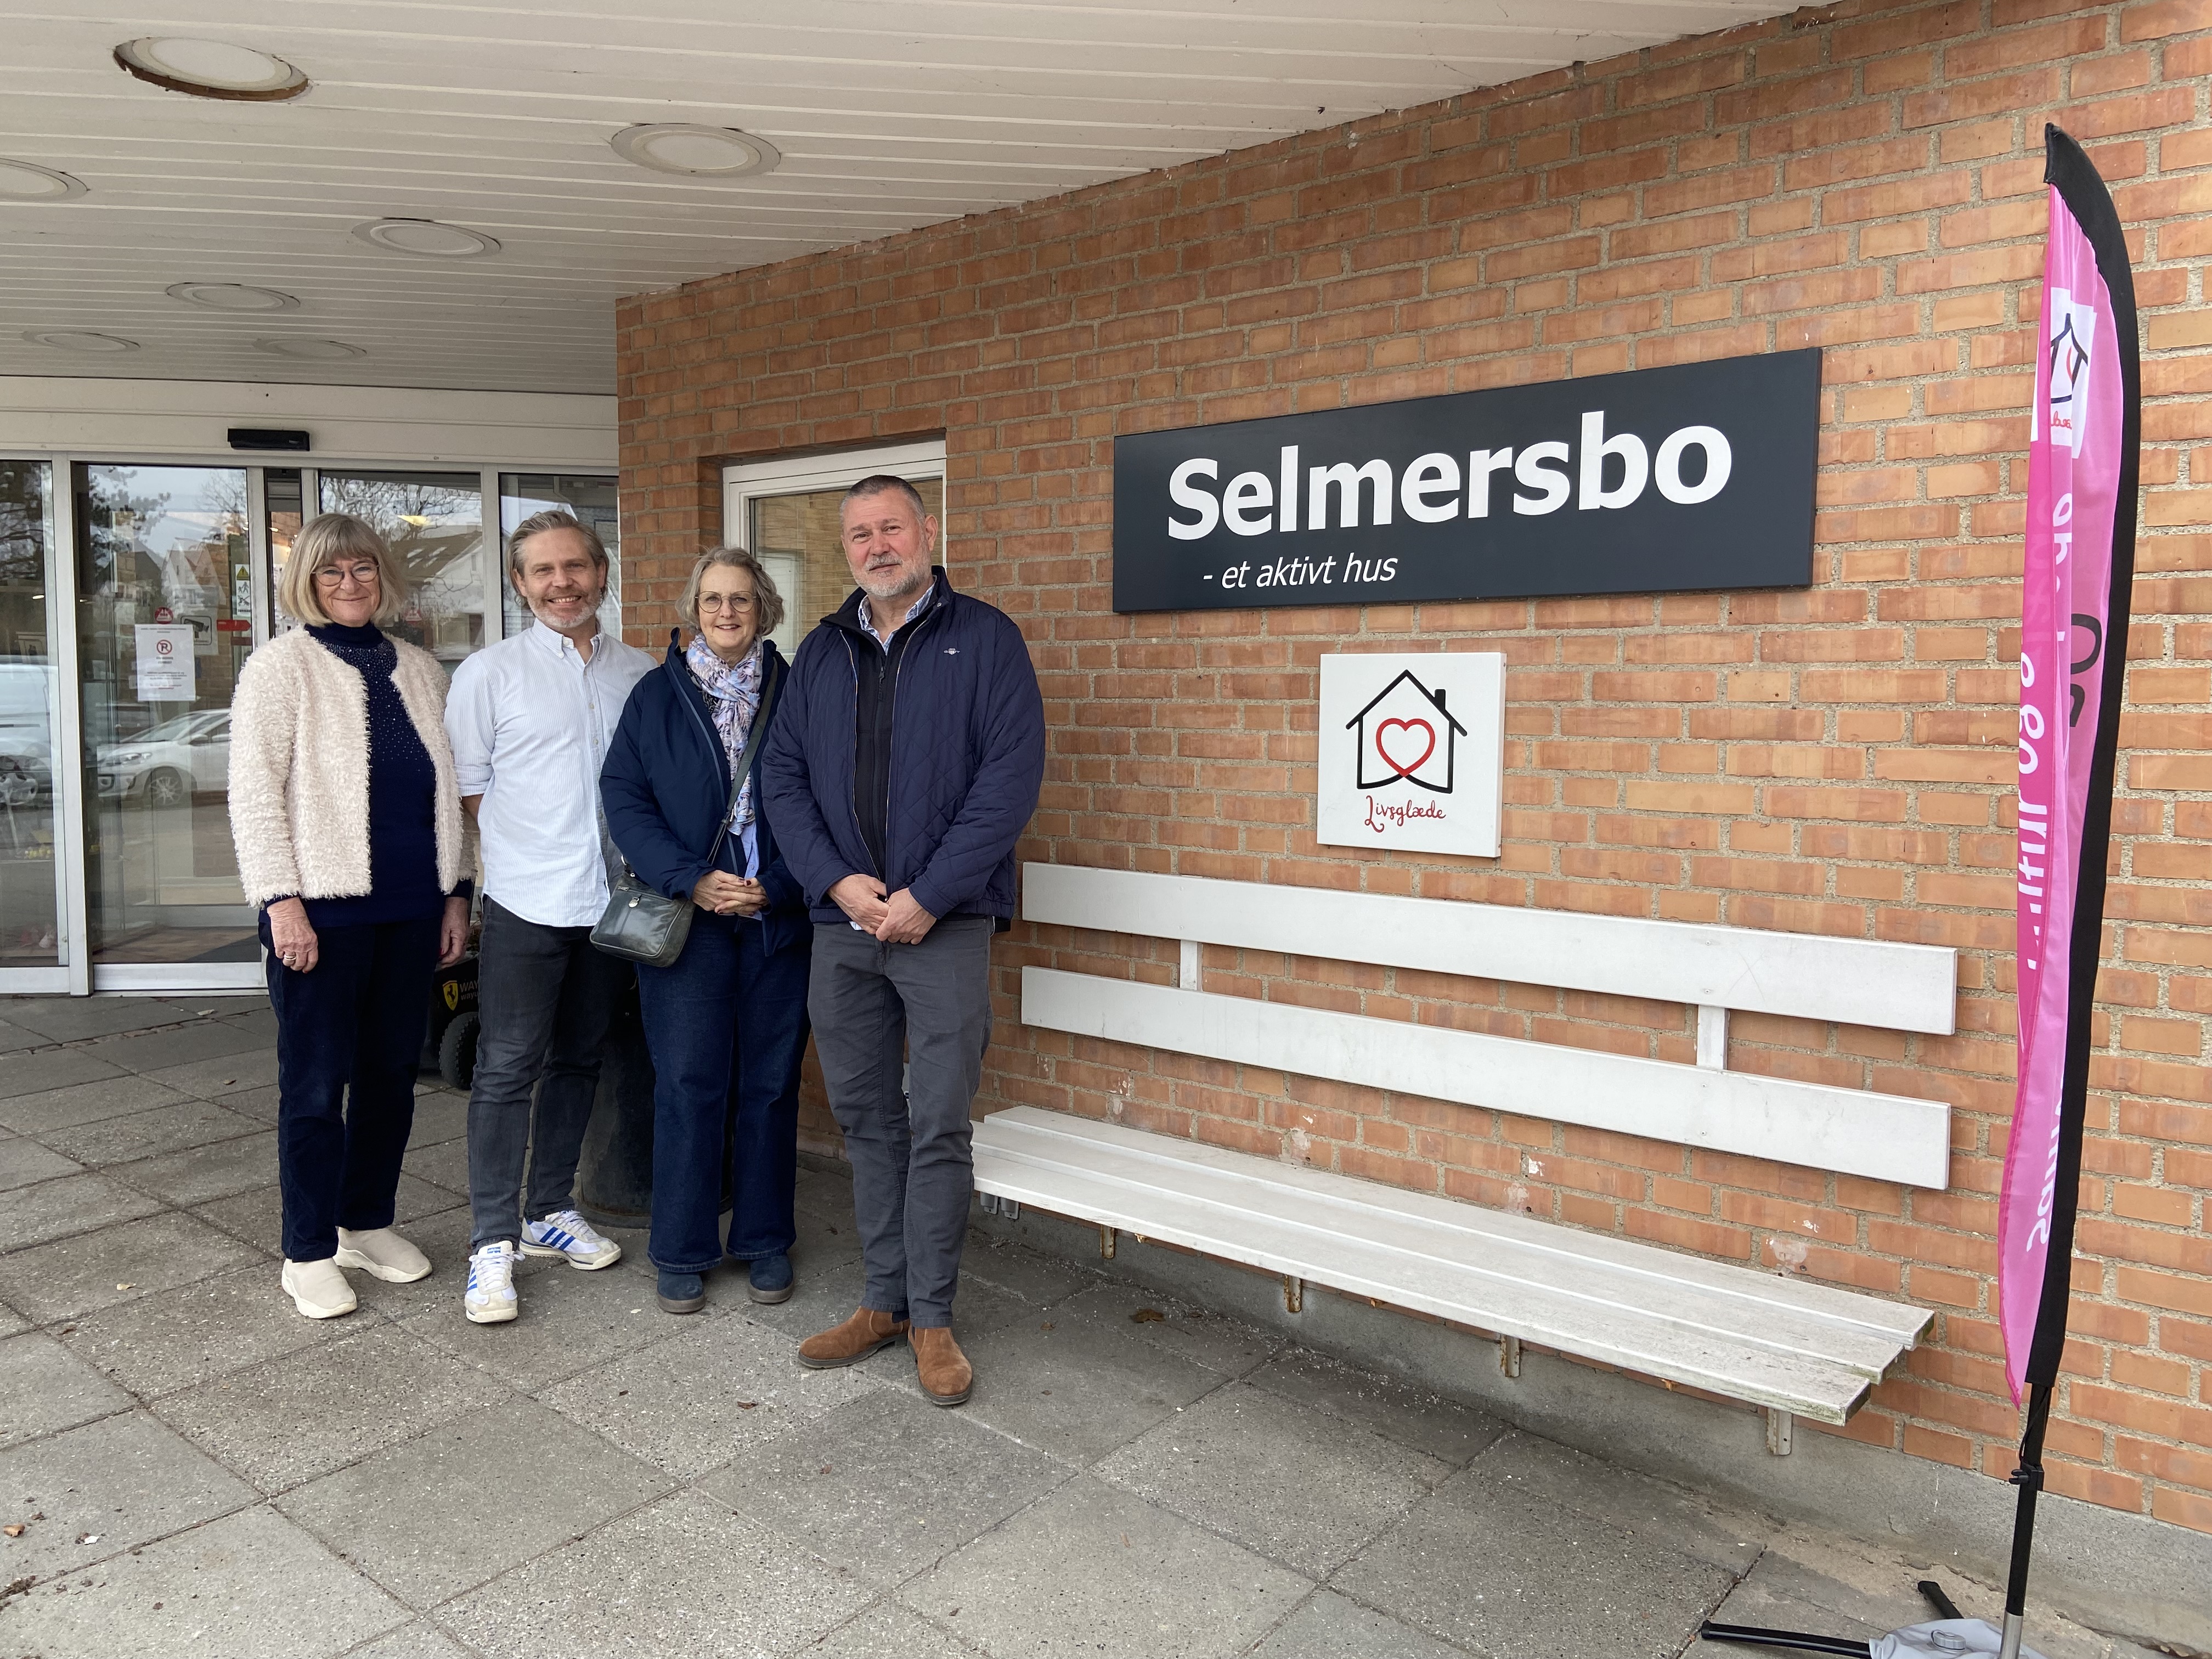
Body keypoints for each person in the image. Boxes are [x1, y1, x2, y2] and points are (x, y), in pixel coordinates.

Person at [759, 475, 1045, 1407]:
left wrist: (927, 896)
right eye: (858, 535)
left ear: (929, 531)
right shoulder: (822, 650)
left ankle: (933, 1318)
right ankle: (882, 1302)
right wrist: (837, 883)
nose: (876, 546)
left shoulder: (987, 639)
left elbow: (1007, 784)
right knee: (867, 1120)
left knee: (937, 1126)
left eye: (891, 528)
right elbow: (784, 781)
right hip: (842, 928)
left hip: (944, 925)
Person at [229, 512, 472, 1321]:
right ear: (306, 581)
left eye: (363, 569)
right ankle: (307, 1250)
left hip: (411, 911)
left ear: (384, 577)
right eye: (331, 573)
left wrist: (457, 891)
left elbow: (450, 798)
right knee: (312, 1085)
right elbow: (255, 795)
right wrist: (279, 901)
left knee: (388, 1082)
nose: (349, 585)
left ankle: (364, 1221)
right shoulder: (279, 669)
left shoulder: (420, 669)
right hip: (321, 918)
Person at [444, 510, 653, 1324]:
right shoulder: (489, 674)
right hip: (530, 900)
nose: (561, 582)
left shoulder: (638, 671)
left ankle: (547, 1211)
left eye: (575, 566)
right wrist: (514, 853)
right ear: (520, 584)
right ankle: (492, 1241)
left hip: (613, 904)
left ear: (602, 574)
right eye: (542, 571)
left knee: (579, 1060)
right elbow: (471, 783)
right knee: (505, 1069)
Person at [600, 548, 811, 1315]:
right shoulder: (656, 696)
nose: (728, 613)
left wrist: (781, 887)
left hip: (773, 924)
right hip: (688, 922)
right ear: (695, 607)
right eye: (715, 600)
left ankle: (763, 1240)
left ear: (765, 611)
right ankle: (682, 1248)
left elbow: (828, 805)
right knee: (688, 1085)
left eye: (743, 601)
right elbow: (623, 798)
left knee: (768, 1085)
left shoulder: (798, 693)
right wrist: (689, 876)